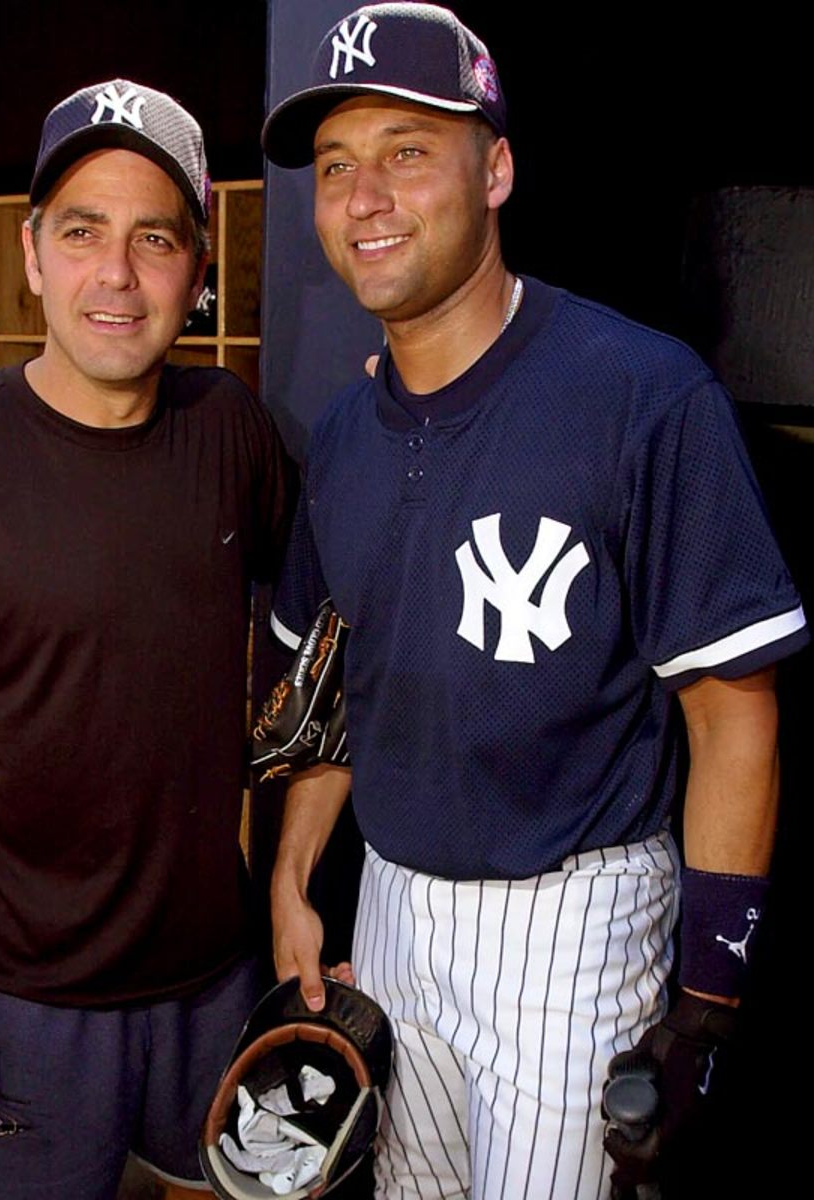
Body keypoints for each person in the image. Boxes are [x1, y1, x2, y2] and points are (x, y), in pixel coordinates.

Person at [259, 6, 807, 1199]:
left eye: (408, 151)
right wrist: (295, 878)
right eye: (337, 166)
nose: (367, 198)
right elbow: (337, 684)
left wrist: (708, 999)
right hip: (396, 908)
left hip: (573, 912)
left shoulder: (640, 395)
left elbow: (733, 712)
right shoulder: (345, 432)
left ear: (495, 169)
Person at [0, 79, 296, 1200]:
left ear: (197, 271)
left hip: (214, 981)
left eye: (154, 237)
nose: (117, 274)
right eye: (83, 232)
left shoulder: (231, 426)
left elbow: (314, 644)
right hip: (20, 1006)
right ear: (34, 255)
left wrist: (292, 876)